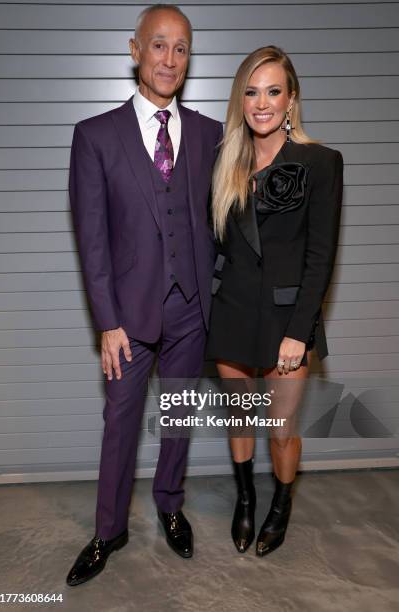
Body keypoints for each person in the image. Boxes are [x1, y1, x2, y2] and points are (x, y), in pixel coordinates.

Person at [66, 4, 222, 586]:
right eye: (159, 46)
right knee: (121, 422)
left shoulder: (210, 134)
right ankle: (108, 530)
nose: (170, 59)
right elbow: (93, 239)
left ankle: (170, 504)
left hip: (190, 310)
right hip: (127, 318)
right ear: (135, 49)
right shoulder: (95, 136)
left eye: (181, 48)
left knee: (178, 416)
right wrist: (106, 321)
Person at [206, 46, 343, 556]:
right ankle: (245, 500)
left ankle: (281, 505)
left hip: (289, 320)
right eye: (250, 91)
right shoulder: (224, 161)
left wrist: (298, 332)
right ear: (240, 99)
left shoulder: (321, 162)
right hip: (233, 315)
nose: (261, 103)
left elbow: (321, 258)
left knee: (282, 432)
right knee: (242, 421)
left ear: (291, 100)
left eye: (273, 91)